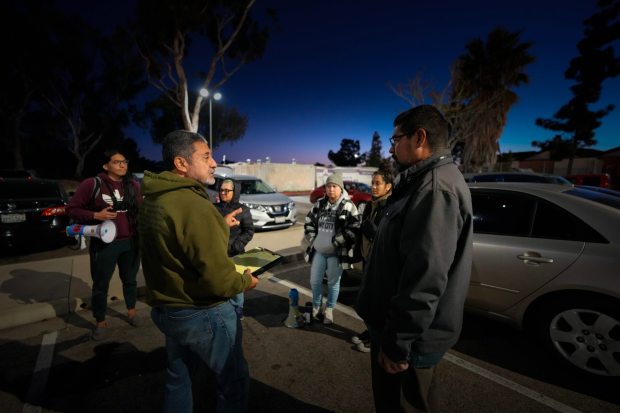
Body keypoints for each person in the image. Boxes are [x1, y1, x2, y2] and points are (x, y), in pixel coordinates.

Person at [356, 105, 473, 412]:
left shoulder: (435, 189)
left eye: (396, 139)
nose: (392, 147)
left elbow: (425, 277)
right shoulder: (421, 182)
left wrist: (397, 344)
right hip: (397, 331)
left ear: (419, 137)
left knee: (405, 404)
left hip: (409, 341)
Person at [139, 130, 259, 413]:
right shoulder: (193, 204)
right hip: (202, 311)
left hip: (168, 308)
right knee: (234, 382)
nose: (214, 163)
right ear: (181, 163)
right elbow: (218, 278)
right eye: (206, 156)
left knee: (178, 378)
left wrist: (218, 225)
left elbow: (174, 245)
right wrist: (244, 282)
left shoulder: (155, 199)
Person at [66, 149, 142, 340]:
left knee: (130, 280)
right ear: (106, 166)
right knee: (101, 285)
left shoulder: (133, 185)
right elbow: (72, 209)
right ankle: (100, 321)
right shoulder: (92, 184)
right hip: (104, 244)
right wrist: (95, 215)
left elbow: (141, 210)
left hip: (130, 242)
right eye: (117, 162)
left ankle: (132, 312)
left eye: (125, 161)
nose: (123, 165)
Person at [304, 172, 360, 325]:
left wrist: (337, 242)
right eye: (328, 186)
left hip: (337, 253)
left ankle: (329, 310)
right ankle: (316, 307)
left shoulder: (349, 206)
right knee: (315, 281)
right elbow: (308, 221)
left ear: (340, 188)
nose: (331, 190)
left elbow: (354, 228)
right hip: (319, 252)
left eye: (334, 186)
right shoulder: (320, 204)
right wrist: (313, 239)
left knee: (333, 284)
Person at [351, 167, 393, 353]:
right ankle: (371, 332)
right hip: (368, 259)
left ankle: (378, 339)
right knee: (368, 300)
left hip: (381, 262)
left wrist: (373, 233)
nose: (373, 187)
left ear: (388, 186)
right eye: (372, 183)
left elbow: (389, 238)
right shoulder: (370, 204)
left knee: (379, 303)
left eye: (378, 184)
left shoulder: (390, 207)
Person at [215, 178, 255, 319]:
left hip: (235, 253)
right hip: (217, 253)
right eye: (221, 190)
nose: (223, 193)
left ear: (235, 191)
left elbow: (249, 230)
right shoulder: (213, 208)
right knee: (220, 282)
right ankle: (222, 308)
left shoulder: (243, 210)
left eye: (227, 190)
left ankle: (238, 309)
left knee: (236, 284)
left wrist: (236, 246)